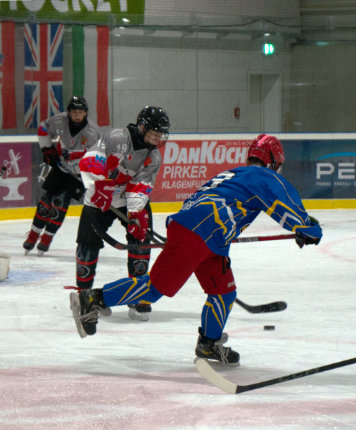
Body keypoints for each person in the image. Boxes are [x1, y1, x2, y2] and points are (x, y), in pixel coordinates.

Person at [69, 134, 322, 365]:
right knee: (154, 288)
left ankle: (209, 344)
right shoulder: (262, 175)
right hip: (201, 231)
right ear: (273, 161)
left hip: (209, 237)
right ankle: (93, 300)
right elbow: (281, 197)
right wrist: (304, 226)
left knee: (224, 292)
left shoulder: (236, 174)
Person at [75, 105, 169, 322]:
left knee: (142, 238)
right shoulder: (117, 137)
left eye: (160, 135)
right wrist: (101, 184)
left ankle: (137, 296)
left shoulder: (153, 156)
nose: (158, 139)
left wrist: (136, 213)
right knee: (87, 242)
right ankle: (84, 294)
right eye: (155, 133)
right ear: (143, 127)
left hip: (126, 198)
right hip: (100, 195)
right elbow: (90, 160)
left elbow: (140, 185)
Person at [23, 96, 100, 255]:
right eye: (74, 112)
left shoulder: (92, 132)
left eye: (81, 112)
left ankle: (47, 238)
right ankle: (33, 234)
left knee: (60, 203)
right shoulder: (59, 121)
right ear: (68, 112)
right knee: (45, 201)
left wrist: (90, 175)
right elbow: (43, 129)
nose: (77, 115)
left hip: (79, 175)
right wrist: (47, 150)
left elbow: (98, 156)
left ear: (86, 113)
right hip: (62, 168)